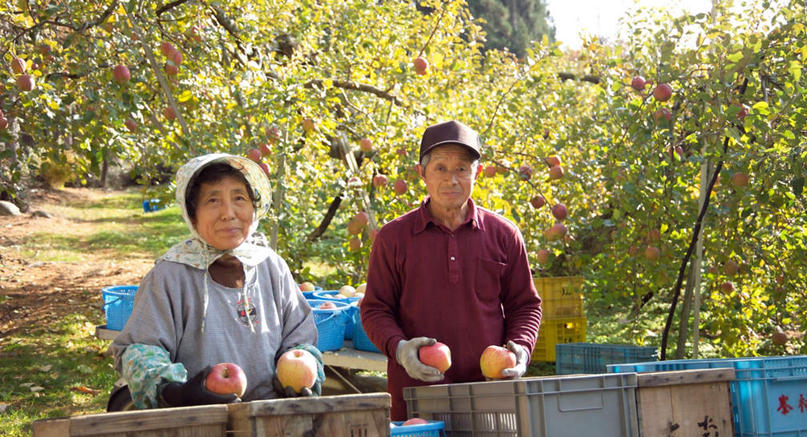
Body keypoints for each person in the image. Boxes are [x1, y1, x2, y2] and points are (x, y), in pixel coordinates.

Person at [360, 120, 542, 420]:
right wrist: (401, 349)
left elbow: (525, 305)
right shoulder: (394, 238)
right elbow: (375, 309)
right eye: (440, 168)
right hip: (416, 395)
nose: (451, 179)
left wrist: (521, 348)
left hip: (489, 392)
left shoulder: (504, 235)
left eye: (461, 168)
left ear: (476, 173)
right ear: (422, 174)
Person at [110, 153, 324, 409]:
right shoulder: (170, 276)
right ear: (192, 215)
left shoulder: (271, 267)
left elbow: (300, 338)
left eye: (239, 198)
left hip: (270, 417)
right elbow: (140, 350)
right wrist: (178, 392)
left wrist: (300, 371)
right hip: (197, 418)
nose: (228, 213)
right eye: (213, 201)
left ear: (254, 207)